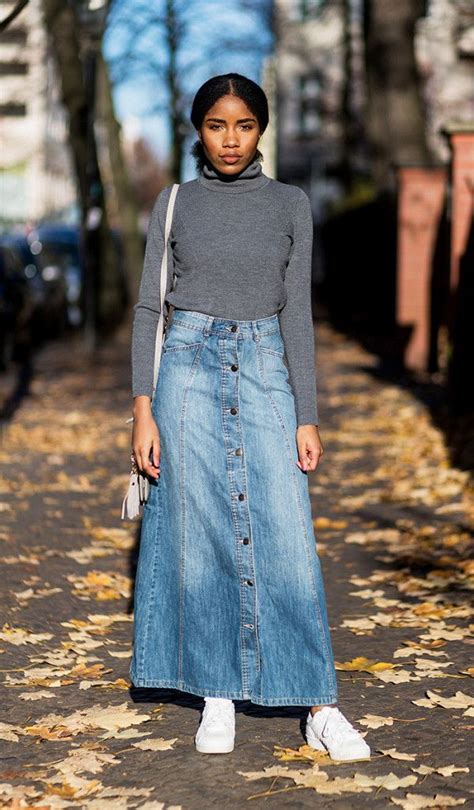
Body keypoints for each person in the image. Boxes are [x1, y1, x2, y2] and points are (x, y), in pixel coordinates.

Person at [129, 72, 370, 761]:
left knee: (287, 533)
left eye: (243, 125)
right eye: (215, 125)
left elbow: (297, 309)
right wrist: (142, 413)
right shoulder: (173, 204)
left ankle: (319, 702)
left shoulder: (291, 204)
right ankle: (217, 694)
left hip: (267, 367)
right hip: (187, 368)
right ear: (197, 130)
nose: (230, 139)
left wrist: (307, 412)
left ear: (260, 128)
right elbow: (150, 309)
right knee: (198, 531)